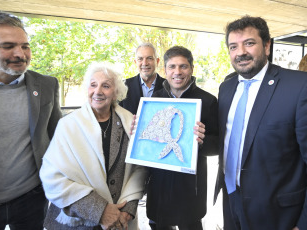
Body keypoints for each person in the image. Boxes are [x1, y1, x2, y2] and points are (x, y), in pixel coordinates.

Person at [0, 11, 62, 230]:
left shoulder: (46, 85)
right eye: (7, 46)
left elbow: (59, 136)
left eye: (25, 46)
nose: (20, 54)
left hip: (32, 200)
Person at [214, 16, 307, 230]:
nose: (240, 52)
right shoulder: (226, 89)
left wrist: (303, 223)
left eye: (249, 43)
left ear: (267, 45)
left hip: (279, 214)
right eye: (233, 46)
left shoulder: (299, 87)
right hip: (231, 201)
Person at [39, 62, 148, 230]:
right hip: (78, 222)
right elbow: (52, 176)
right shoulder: (68, 125)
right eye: (93, 85)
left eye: (106, 86)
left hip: (121, 220)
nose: (98, 91)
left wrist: (128, 208)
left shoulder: (131, 122)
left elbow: (139, 168)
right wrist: (99, 210)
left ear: (115, 93)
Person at [145, 46, 219, 230]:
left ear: (192, 68)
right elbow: (147, 144)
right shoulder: (154, 100)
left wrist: (202, 142)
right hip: (159, 186)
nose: (177, 72)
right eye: (172, 67)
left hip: (190, 190)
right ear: (164, 70)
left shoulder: (208, 101)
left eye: (183, 66)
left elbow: (217, 146)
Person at [119, 42, 165, 114]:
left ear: (157, 61)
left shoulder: (169, 86)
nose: (145, 63)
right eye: (140, 59)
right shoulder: (123, 86)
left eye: (149, 58)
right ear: (135, 62)